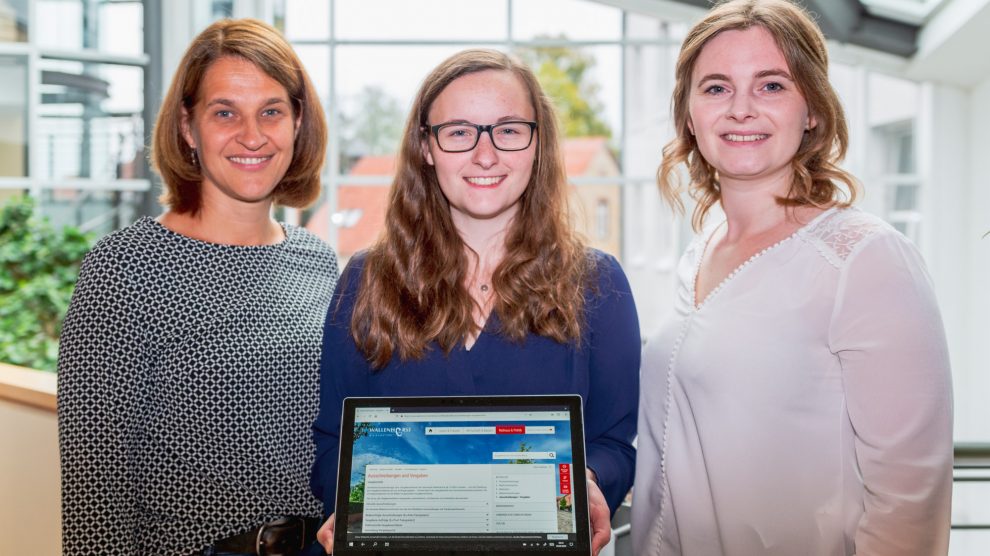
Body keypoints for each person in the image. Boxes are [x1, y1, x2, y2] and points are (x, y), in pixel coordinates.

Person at [631, 1, 954, 555]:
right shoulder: (701, 250)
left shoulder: (865, 259)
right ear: (688, 115)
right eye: (715, 88)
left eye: (772, 85)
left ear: (813, 110)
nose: (740, 109)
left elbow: (909, 502)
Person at [309, 49, 641, 555]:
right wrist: (354, 502)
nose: (485, 155)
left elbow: (614, 443)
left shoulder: (598, 285)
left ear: (538, 144)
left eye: (508, 129)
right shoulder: (365, 281)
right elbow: (335, 442)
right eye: (460, 132)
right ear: (426, 147)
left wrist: (589, 481)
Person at [57, 18, 338, 556]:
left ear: (298, 123)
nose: (252, 135)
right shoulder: (124, 267)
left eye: (272, 111)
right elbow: (95, 492)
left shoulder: (319, 260)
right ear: (188, 127)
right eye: (225, 112)